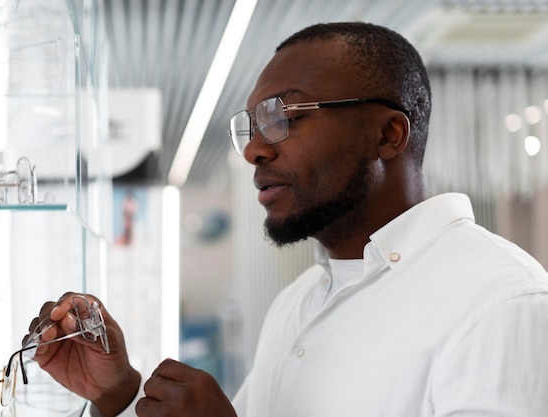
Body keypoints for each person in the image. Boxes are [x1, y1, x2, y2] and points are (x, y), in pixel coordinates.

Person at [27, 22, 548, 417]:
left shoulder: (500, 306)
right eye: (251, 126)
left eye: (285, 118)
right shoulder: (299, 302)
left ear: (387, 135)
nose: (253, 149)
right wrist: (119, 392)